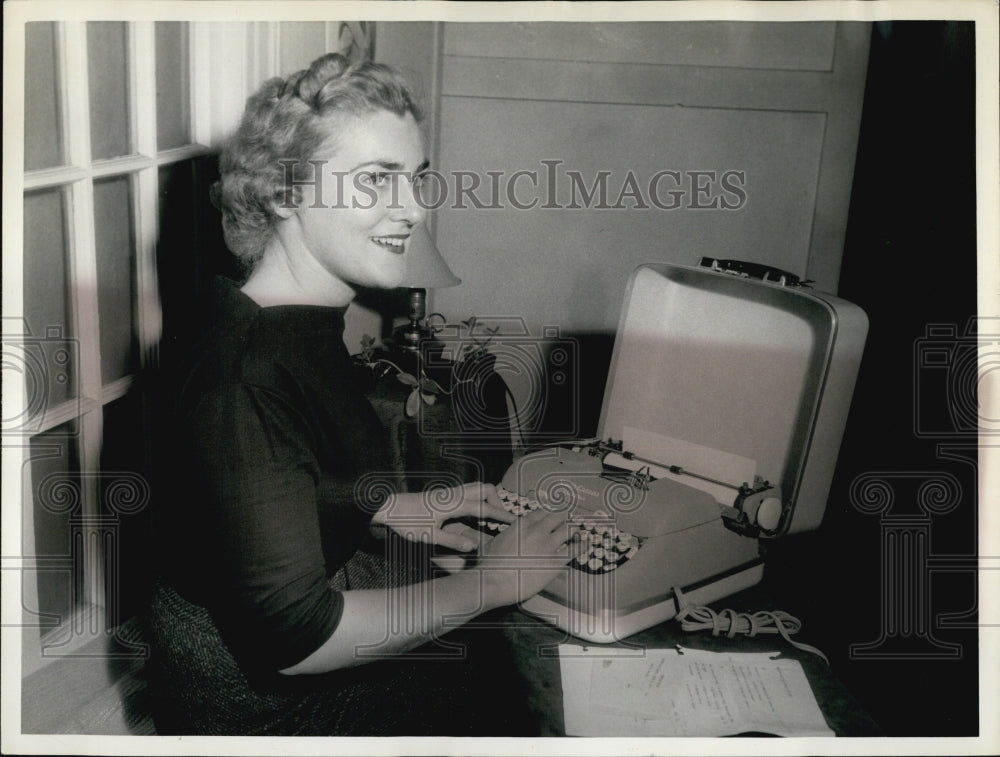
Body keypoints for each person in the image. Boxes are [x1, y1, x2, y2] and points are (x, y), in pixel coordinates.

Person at [146, 53, 576, 736]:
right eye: (378, 180)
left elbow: (256, 486)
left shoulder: (276, 317)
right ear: (285, 194)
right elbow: (299, 642)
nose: (413, 209)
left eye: (416, 179)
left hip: (286, 629)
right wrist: (495, 582)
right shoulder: (246, 377)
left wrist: (388, 506)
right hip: (272, 708)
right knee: (527, 686)